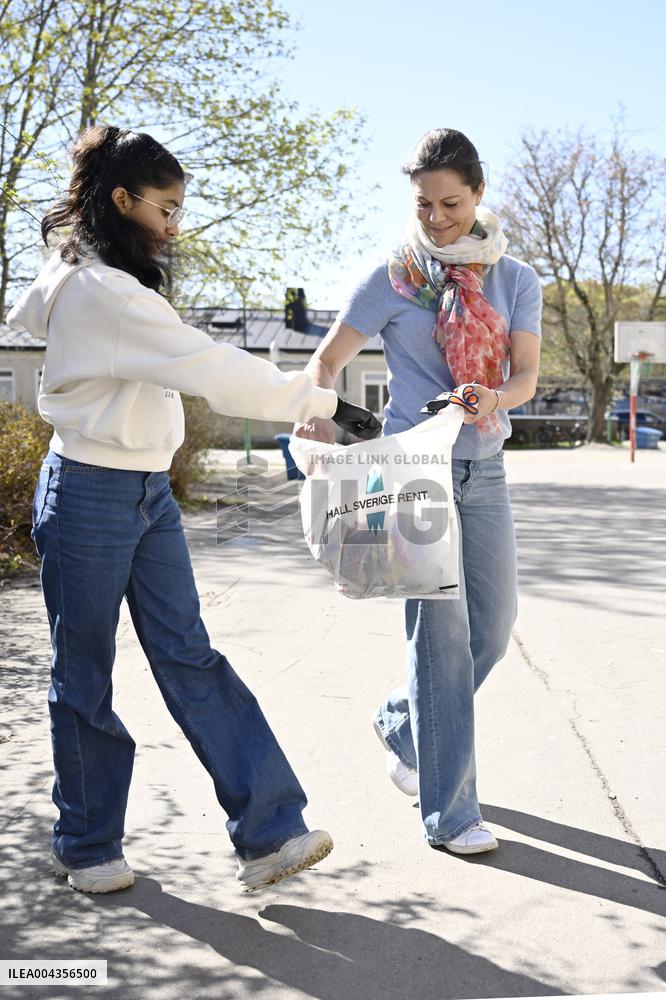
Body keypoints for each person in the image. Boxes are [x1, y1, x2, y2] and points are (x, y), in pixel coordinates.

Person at [8, 125, 380, 894]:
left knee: (190, 655)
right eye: (165, 209)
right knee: (86, 672)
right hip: (88, 492)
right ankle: (88, 846)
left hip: (148, 494)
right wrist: (327, 405)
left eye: (181, 210)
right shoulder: (104, 294)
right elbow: (217, 370)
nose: (175, 225)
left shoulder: (107, 277)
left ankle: (272, 832)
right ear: (121, 200)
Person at [294, 128, 542, 855]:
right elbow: (326, 361)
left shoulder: (515, 279)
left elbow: (524, 376)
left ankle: (404, 724)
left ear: (479, 194)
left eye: (452, 203)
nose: (436, 218)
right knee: (442, 641)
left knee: (492, 629)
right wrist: (319, 415)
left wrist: (494, 397)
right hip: (411, 475)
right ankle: (451, 815)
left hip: (484, 468)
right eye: (424, 204)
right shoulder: (393, 278)